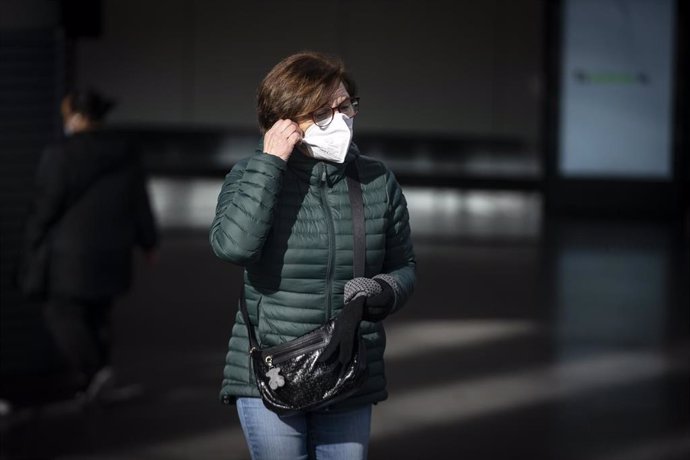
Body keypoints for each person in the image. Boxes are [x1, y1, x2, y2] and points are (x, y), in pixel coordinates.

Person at [210, 52, 416, 459]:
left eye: (345, 106)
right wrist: (270, 165)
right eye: (322, 112)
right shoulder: (252, 174)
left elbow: (404, 265)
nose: (340, 120)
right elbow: (233, 247)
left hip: (348, 367)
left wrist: (382, 290)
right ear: (285, 121)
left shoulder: (376, 181)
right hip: (272, 369)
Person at [22, 89, 158, 401]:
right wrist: (149, 242)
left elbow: (44, 206)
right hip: (114, 251)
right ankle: (95, 381)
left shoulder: (61, 154)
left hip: (70, 255)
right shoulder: (125, 151)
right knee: (98, 315)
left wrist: (31, 245)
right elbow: (140, 202)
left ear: (78, 116)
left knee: (62, 313)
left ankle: (96, 371)